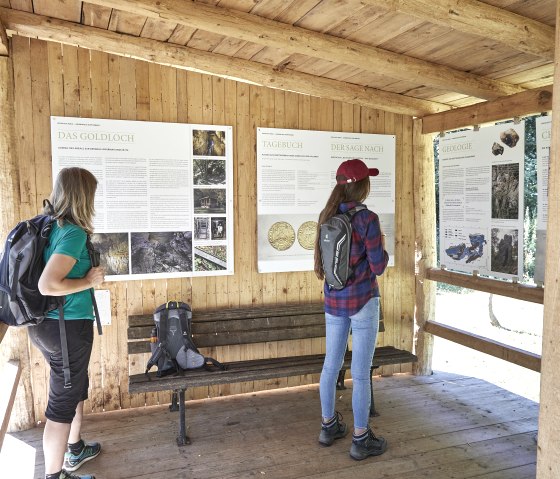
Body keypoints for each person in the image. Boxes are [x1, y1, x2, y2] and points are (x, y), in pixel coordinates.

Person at [28, 167, 105, 479]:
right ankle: (54, 475)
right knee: (60, 407)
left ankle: (75, 449)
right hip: (66, 327)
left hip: (50, 327)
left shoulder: (51, 227)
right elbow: (48, 284)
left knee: (72, 388)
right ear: (84, 196)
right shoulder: (72, 232)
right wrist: (88, 281)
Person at [314, 158, 389, 461]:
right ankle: (360, 439)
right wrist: (382, 245)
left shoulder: (327, 215)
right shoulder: (367, 219)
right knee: (359, 373)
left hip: (333, 302)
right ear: (361, 185)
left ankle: (328, 426)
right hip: (362, 301)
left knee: (330, 366)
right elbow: (378, 266)